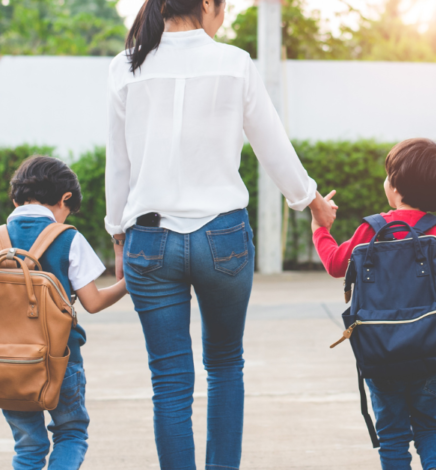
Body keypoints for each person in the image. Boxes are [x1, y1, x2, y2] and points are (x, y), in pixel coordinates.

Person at [105, 0, 336, 468]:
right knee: (226, 366)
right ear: (207, 4)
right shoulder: (234, 63)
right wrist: (311, 201)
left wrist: (117, 236)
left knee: (169, 379)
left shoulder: (126, 66)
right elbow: (273, 144)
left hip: (149, 240)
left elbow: (119, 163)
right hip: (223, 239)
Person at [311, 138, 436, 470]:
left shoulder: (370, 231)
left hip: (379, 354)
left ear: (396, 186)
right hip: (429, 355)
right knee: (431, 429)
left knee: (392, 436)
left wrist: (320, 227)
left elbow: (334, 265)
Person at [3, 156, 127, 470]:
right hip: (61, 361)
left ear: (16, 198)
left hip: (6, 364)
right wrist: (127, 284)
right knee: (71, 433)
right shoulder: (68, 238)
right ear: (65, 199)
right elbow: (93, 302)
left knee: (28, 447)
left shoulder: (1, 237)